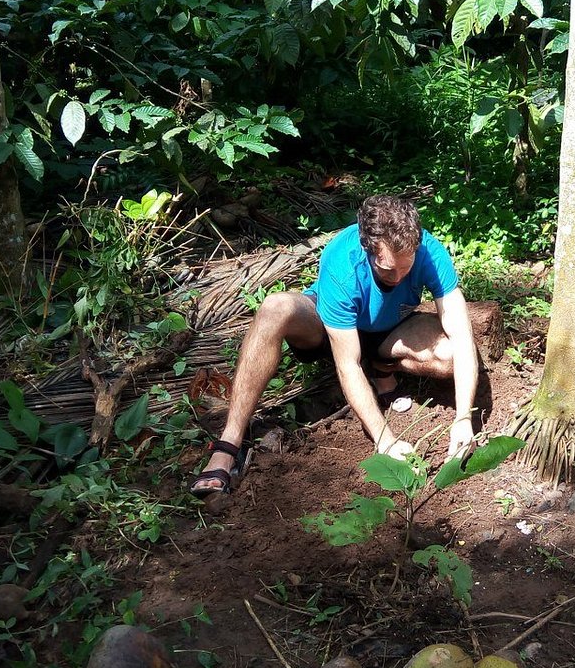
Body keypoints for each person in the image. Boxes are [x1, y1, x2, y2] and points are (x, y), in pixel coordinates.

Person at [190, 195, 479, 497]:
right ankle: (228, 443)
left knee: (448, 355)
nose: (398, 277)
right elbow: (347, 364)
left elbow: (461, 335)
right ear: (368, 249)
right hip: (331, 333)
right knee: (275, 307)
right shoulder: (343, 261)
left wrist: (463, 418)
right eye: (387, 271)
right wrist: (386, 441)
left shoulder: (430, 252)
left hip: (393, 327)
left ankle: (381, 364)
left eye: (405, 270)